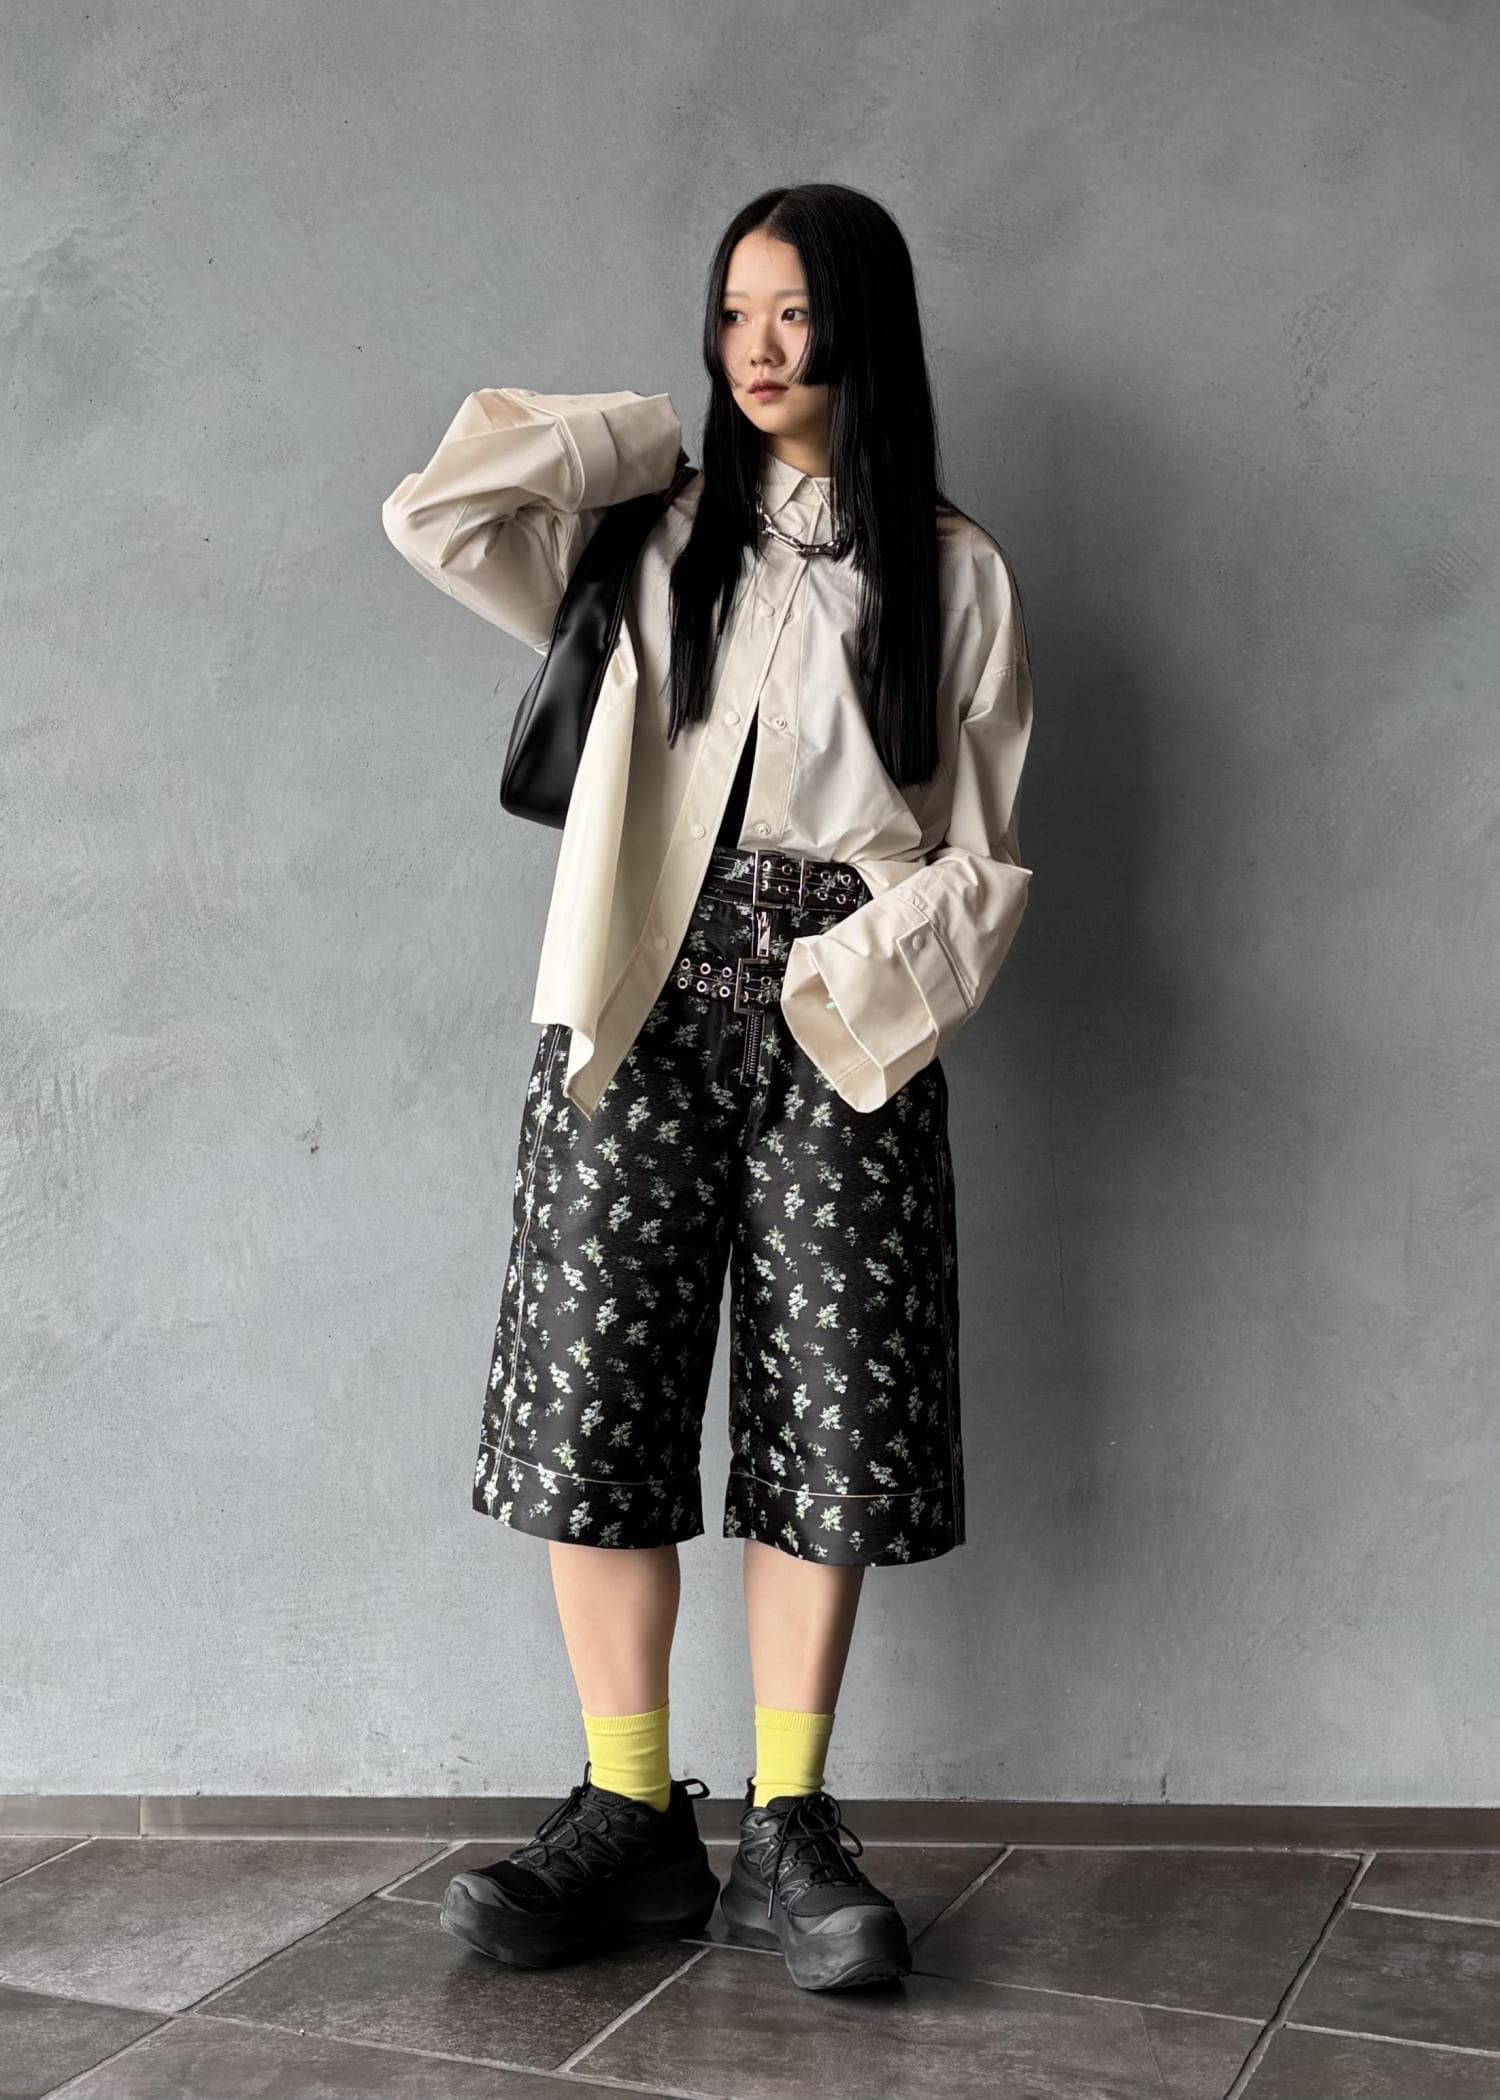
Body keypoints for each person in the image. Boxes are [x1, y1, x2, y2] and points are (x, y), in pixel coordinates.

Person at [379, 182, 1034, 1994]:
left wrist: (849, 985)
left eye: (795, 312)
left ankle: (788, 1830)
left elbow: (982, 858)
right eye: (733, 310)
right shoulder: (645, 537)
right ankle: (630, 1815)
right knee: (595, 1411)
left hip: (846, 1018)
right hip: (634, 1004)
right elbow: (437, 512)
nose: (758, 345)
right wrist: (639, 438)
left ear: (865, 328)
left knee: (833, 1421)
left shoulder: (957, 574)